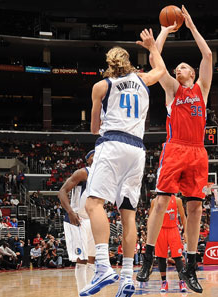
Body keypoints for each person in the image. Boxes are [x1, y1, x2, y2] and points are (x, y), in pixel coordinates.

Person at [79, 28, 167, 297]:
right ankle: (127, 276)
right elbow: (161, 70)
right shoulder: (143, 79)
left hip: (113, 144)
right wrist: (153, 46)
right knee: (128, 214)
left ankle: (103, 266)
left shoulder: (101, 86)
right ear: (129, 62)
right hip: (138, 149)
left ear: (109, 63)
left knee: (93, 203)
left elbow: (95, 128)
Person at [137, 6, 213, 294]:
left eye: (183, 67)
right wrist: (165, 31)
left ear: (191, 73)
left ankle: (191, 266)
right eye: (177, 67)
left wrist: (191, 26)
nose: (178, 69)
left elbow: (207, 55)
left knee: (195, 207)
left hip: (197, 151)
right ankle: (147, 257)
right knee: (159, 202)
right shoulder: (172, 89)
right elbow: (156, 59)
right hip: (175, 149)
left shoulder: (202, 89)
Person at [58, 150, 96, 293]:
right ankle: (82, 293)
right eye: (92, 155)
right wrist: (70, 212)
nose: (96, 156)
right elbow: (61, 191)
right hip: (77, 218)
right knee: (82, 260)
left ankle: (90, 292)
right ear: (88, 160)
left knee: (92, 260)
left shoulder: (103, 175)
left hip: (92, 220)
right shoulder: (83, 172)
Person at [151, 195, 187, 293]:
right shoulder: (155, 201)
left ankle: (182, 281)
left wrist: (185, 231)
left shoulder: (177, 200)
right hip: (160, 230)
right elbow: (151, 219)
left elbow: (183, 216)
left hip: (173, 229)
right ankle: (164, 282)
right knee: (161, 257)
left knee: (178, 256)